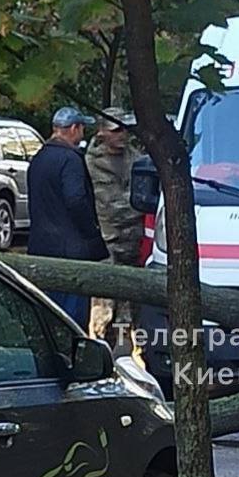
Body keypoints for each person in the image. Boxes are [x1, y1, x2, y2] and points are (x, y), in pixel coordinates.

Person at [27, 106, 107, 330]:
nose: (83, 134)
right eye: (82, 129)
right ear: (74, 128)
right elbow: (75, 200)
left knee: (47, 313)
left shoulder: (39, 158)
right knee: (72, 319)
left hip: (41, 246)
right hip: (71, 250)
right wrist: (90, 231)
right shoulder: (70, 159)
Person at [85, 107, 142, 345]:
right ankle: (100, 350)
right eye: (116, 130)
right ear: (102, 132)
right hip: (106, 243)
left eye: (125, 129)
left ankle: (130, 352)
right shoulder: (89, 163)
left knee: (131, 309)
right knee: (103, 307)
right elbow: (105, 204)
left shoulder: (136, 158)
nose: (122, 135)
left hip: (134, 241)